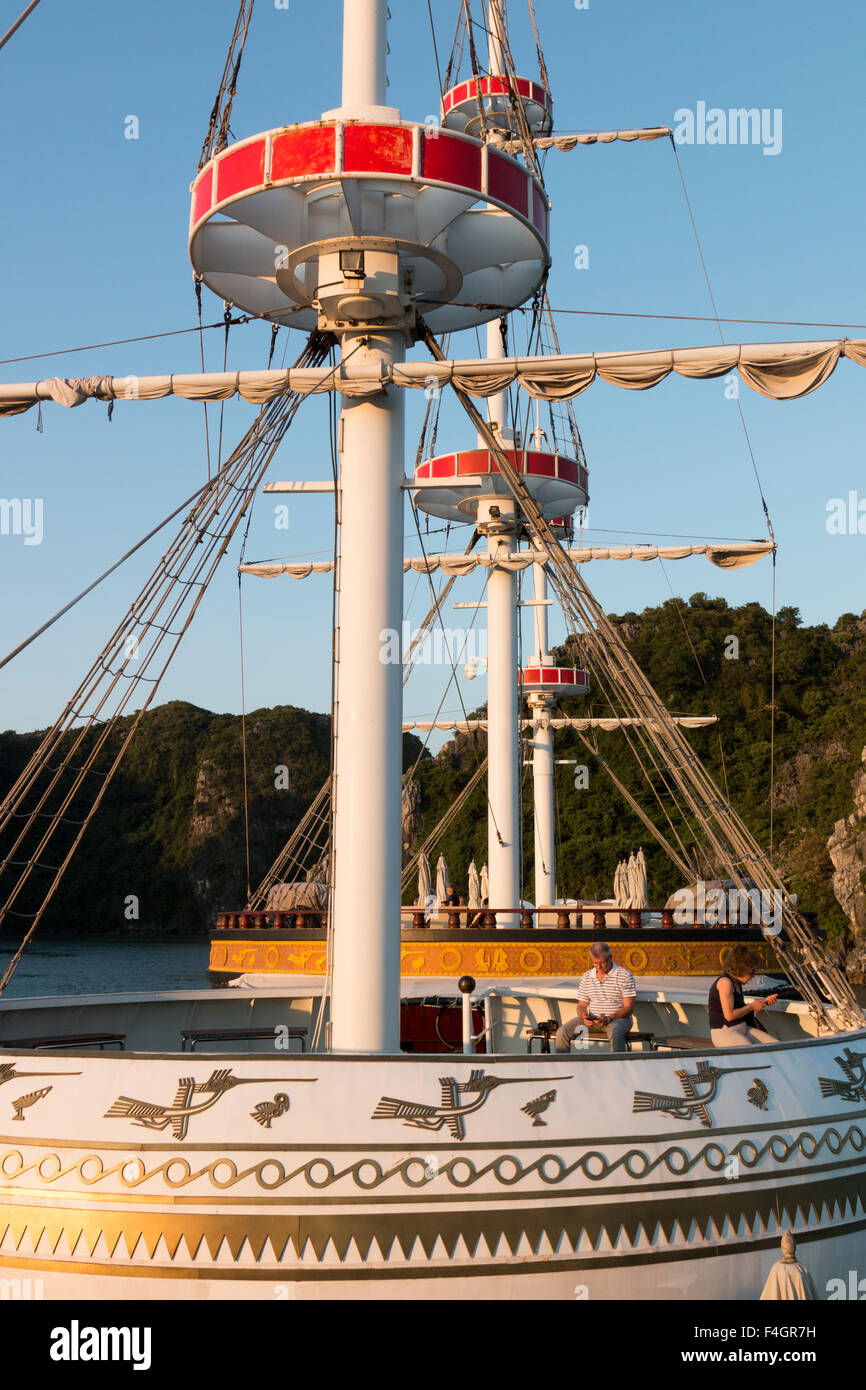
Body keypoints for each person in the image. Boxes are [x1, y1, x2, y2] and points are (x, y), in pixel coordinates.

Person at [555, 942, 637, 1053]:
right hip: (592, 1020)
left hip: (618, 1020)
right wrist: (584, 1016)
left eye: (602, 963)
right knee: (561, 1032)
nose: (598, 967)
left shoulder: (625, 975)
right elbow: (581, 1005)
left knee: (615, 1034)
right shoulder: (587, 976)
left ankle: (617, 1068)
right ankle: (562, 1067)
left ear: (610, 958)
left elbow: (629, 1008)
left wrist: (609, 1018)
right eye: (595, 963)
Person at [709, 945, 778, 1047]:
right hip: (725, 1033)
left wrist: (763, 1002)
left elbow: (740, 1008)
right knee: (751, 1051)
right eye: (752, 971)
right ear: (741, 969)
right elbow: (729, 1015)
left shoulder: (736, 983)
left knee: (775, 1046)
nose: (753, 975)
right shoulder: (725, 983)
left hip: (742, 1029)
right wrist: (751, 1007)